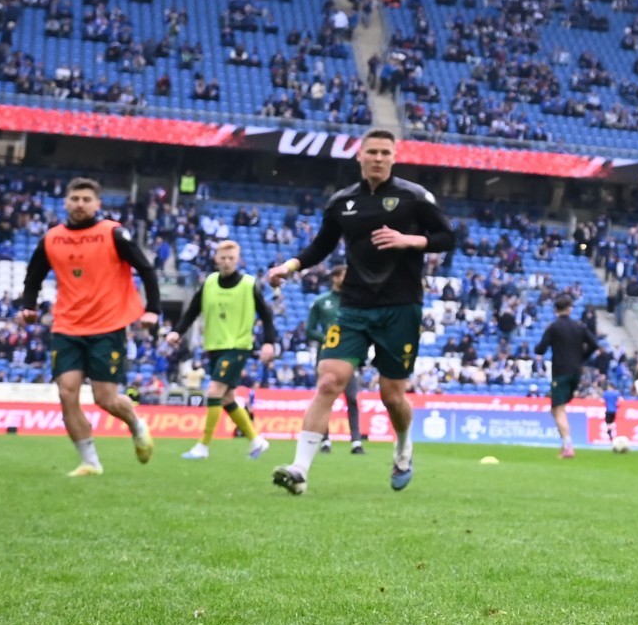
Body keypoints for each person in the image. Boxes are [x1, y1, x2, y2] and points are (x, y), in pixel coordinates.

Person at [263, 130, 454, 494]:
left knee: (391, 395)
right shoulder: (342, 202)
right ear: (360, 156)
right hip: (353, 306)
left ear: (394, 157)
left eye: (385, 152)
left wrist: (408, 240)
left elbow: (448, 237)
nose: (378, 158)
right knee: (329, 381)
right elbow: (321, 246)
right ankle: (299, 469)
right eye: (372, 152)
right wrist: (289, 266)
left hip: (401, 307)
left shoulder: (414, 197)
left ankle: (403, 449)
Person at [17, 180, 162, 476]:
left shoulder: (113, 233)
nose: (80, 204)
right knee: (66, 393)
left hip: (108, 326)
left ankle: (136, 424)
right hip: (67, 326)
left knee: (105, 398)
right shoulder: (52, 238)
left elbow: (146, 269)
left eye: (86, 199)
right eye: (75, 198)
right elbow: (33, 276)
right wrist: (28, 305)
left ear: (97, 204)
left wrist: (153, 310)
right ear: (65, 203)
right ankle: (90, 462)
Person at [165, 238, 273, 461]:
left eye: (231, 258)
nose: (226, 262)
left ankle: (203, 446)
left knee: (214, 391)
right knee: (226, 398)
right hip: (214, 346)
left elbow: (266, 314)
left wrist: (269, 342)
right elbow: (192, 310)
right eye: (223, 258)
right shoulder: (209, 283)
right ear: (216, 259)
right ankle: (256, 440)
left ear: (238, 260)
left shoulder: (249, 284)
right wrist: (177, 331)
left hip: (237, 346)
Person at [299, 270, 365, 454]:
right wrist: (327, 339)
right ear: (335, 278)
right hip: (327, 356)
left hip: (348, 356)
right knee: (325, 397)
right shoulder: (321, 301)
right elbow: (310, 330)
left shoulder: (355, 301)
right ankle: (325, 440)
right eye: (344, 275)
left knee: (352, 398)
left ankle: (356, 441)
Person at [537, 297, 600, 461]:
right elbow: (594, 344)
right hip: (576, 372)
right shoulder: (579, 326)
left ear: (555, 310)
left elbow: (540, 349)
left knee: (559, 409)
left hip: (561, 372)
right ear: (570, 309)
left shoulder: (554, 327)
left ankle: (568, 446)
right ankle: (565, 444)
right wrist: (581, 357)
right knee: (555, 409)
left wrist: (542, 344)